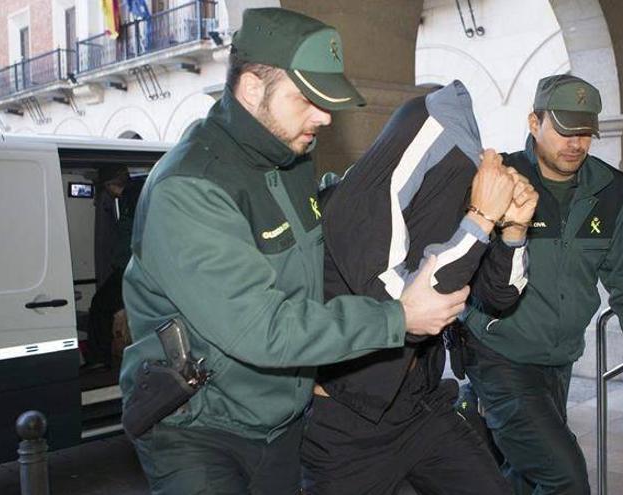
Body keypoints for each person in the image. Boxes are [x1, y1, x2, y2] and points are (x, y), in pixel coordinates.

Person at [119, 8, 471, 495]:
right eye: (307, 99)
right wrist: (398, 317)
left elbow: (322, 223)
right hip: (199, 431)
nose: (324, 116)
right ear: (250, 90)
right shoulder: (191, 188)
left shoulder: (288, 158)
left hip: (280, 424)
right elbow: (262, 327)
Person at [302, 81, 538, 494]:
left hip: (421, 405)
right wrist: (480, 219)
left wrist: (514, 229)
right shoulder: (351, 210)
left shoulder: (435, 216)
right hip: (346, 423)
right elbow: (410, 308)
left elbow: (499, 297)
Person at [461, 74, 623, 495]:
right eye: (563, 130)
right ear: (535, 122)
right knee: (565, 478)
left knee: (522, 476)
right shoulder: (501, 178)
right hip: (500, 356)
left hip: (558, 362)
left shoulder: (610, 189)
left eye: (585, 133)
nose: (575, 143)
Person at [85, 166, 143, 369]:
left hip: (130, 270)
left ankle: (98, 359)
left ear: (112, 184)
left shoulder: (132, 197)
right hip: (131, 268)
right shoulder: (134, 196)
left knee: (100, 305)